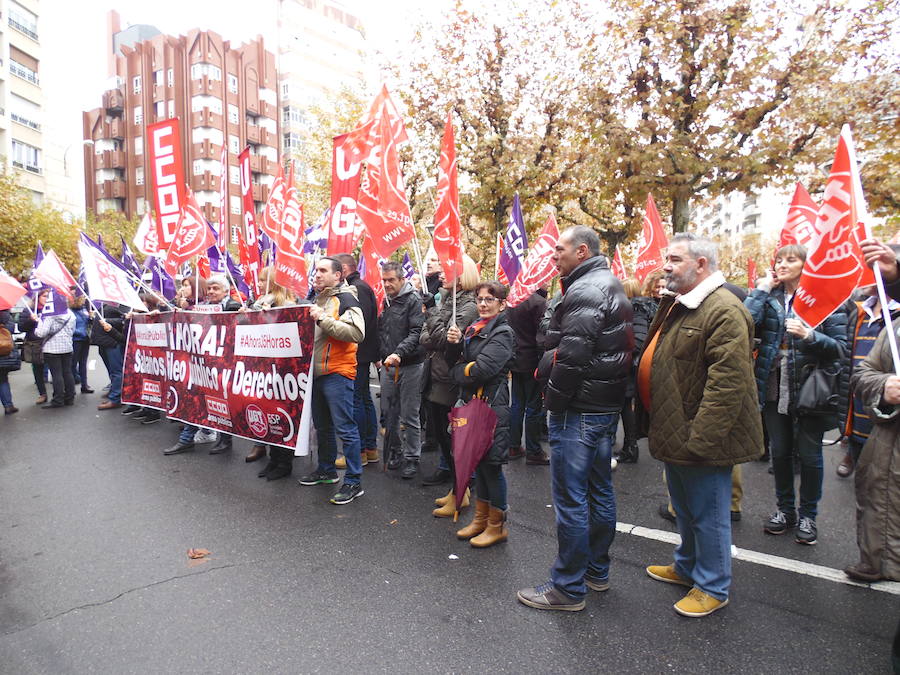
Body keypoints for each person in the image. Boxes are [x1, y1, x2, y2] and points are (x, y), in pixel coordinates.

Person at [638, 233, 762, 618]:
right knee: (686, 509)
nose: (666, 266)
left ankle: (712, 585)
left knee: (708, 514)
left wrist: (702, 440)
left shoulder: (723, 309)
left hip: (701, 437)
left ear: (702, 265)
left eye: (674, 259)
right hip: (678, 430)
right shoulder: (685, 303)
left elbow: (727, 383)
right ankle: (688, 566)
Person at [517, 225, 633, 612]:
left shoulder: (586, 289)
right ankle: (595, 571)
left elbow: (572, 356)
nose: (553, 255)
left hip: (579, 410)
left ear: (581, 252)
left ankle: (567, 587)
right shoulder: (605, 282)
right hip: (600, 408)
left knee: (571, 499)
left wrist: (554, 401)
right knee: (599, 491)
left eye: (559, 249)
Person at [745, 244, 849, 545]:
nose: (782, 264)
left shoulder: (825, 300)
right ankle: (785, 511)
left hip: (810, 390)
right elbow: (744, 322)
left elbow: (841, 349)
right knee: (779, 454)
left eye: (791, 259)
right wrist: (762, 290)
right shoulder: (772, 297)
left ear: (807, 265)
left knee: (810, 456)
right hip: (774, 386)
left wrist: (809, 336)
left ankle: (808, 516)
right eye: (779, 259)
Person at [445, 280, 515, 547]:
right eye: (480, 300)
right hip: (474, 403)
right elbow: (456, 362)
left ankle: (496, 526)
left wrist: (459, 371)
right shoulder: (474, 329)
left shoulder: (503, 332)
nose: (483, 304)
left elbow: (481, 370)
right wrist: (454, 346)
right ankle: (480, 519)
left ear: (502, 303)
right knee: (480, 464)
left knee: (492, 467)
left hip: (491, 406)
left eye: (489, 299)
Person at [298, 257, 366, 505]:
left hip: (337, 373)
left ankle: (354, 481)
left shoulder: (346, 299)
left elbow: (357, 333)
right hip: (317, 375)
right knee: (323, 427)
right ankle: (327, 470)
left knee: (346, 429)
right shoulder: (318, 299)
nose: (317, 274)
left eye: (323, 270)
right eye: (316, 270)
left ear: (338, 275)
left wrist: (322, 319)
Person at [421, 256, 480, 510]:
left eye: (447, 270)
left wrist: (432, 314)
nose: (441, 275)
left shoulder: (467, 305)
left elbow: (442, 339)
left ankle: (461, 491)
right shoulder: (447, 301)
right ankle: (457, 489)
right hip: (436, 375)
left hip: (450, 378)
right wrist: (436, 326)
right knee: (444, 441)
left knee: (455, 439)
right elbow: (427, 337)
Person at [846, 310, 900, 582]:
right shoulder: (896, 327)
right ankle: (876, 561)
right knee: (876, 492)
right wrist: (885, 385)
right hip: (887, 439)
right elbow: (863, 373)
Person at [163, 276, 241, 456]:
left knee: (222, 404)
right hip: (201, 364)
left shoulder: (233, 307)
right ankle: (186, 439)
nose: (212, 292)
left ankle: (225, 440)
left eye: (216, 288)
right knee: (194, 398)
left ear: (225, 291)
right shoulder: (202, 306)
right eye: (210, 288)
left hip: (224, 365)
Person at [840, 268, 900, 477]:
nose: (860, 278)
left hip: (888, 403)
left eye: (868, 272)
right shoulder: (859, 312)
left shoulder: (896, 313)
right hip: (857, 396)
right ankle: (852, 453)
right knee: (863, 470)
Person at [250, 267, 300, 480]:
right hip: (265, 368)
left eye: (263, 281)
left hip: (285, 371)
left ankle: (284, 462)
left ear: (274, 283)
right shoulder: (261, 303)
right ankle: (273, 458)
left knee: (282, 415)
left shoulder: (289, 306)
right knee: (269, 413)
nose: (259, 285)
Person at [378, 261, 426, 478]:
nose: (387, 284)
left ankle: (412, 457)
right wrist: (380, 356)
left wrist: (399, 352)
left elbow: (416, 332)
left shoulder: (413, 300)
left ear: (401, 279)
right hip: (388, 366)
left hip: (410, 364)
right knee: (388, 413)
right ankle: (395, 451)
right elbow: (383, 330)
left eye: (391, 280)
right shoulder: (386, 300)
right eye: (384, 280)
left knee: (409, 413)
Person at [334, 253, 380, 469]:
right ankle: (369, 449)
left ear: (343, 269)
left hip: (357, 354)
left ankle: (361, 450)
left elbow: (359, 325)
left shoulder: (357, 288)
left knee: (357, 401)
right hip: (362, 353)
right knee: (364, 400)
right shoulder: (361, 286)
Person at [505, 284, 550, 465]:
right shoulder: (538, 302)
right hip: (532, 360)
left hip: (516, 358)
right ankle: (533, 450)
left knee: (517, 404)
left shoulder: (514, 300)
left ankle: (514, 445)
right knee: (533, 406)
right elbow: (541, 336)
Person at [615, 277, 657, 463]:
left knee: (625, 406)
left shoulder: (636, 309)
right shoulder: (639, 308)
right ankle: (628, 446)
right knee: (624, 406)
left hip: (630, 366)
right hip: (632, 364)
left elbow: (638, 340)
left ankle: (630, 447)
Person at [36, 293, 77, 409]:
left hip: (52, 348)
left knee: (56, 374)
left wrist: (39, 322)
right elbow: (72, 330)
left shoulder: (49, 315)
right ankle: (70, 397)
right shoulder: (70, 314)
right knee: (67, 372)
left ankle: (58, 399)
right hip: (67, 346)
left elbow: (41, 333)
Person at [91, 303, 126, 410]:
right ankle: (114, 391)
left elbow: (125, 320)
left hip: (112, 342)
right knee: (111, 370)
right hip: (103, 342)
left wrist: (108, 321)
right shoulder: (105, 303)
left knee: (116, 371)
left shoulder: (122, 305)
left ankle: (116, 398)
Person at [17, 298, 47, 404]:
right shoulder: (28, 310)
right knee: (38, 370)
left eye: (48, 296)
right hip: (34, 344)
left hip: (49, 342)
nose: (46, 298)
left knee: (55, 368)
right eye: (44, 296)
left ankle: (59, 393)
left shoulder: (50, 309)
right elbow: (21, 327)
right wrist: (31, 320)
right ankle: (42, 393)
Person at [69, 295, 93, 394]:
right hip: (76, 339)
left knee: (83, 363)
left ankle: (84, 385)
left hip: (85, 339)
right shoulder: (70, 311)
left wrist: (91, 318)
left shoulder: (84, 309)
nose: (84, 300)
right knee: (73, 364)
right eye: (82, 298)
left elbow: (87, 323)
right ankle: (71, 386)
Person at [0, 308, 21, 414]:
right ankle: (8, 405)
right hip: (3, 350)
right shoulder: (5, 314)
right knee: (2, 379)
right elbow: (11, 329)